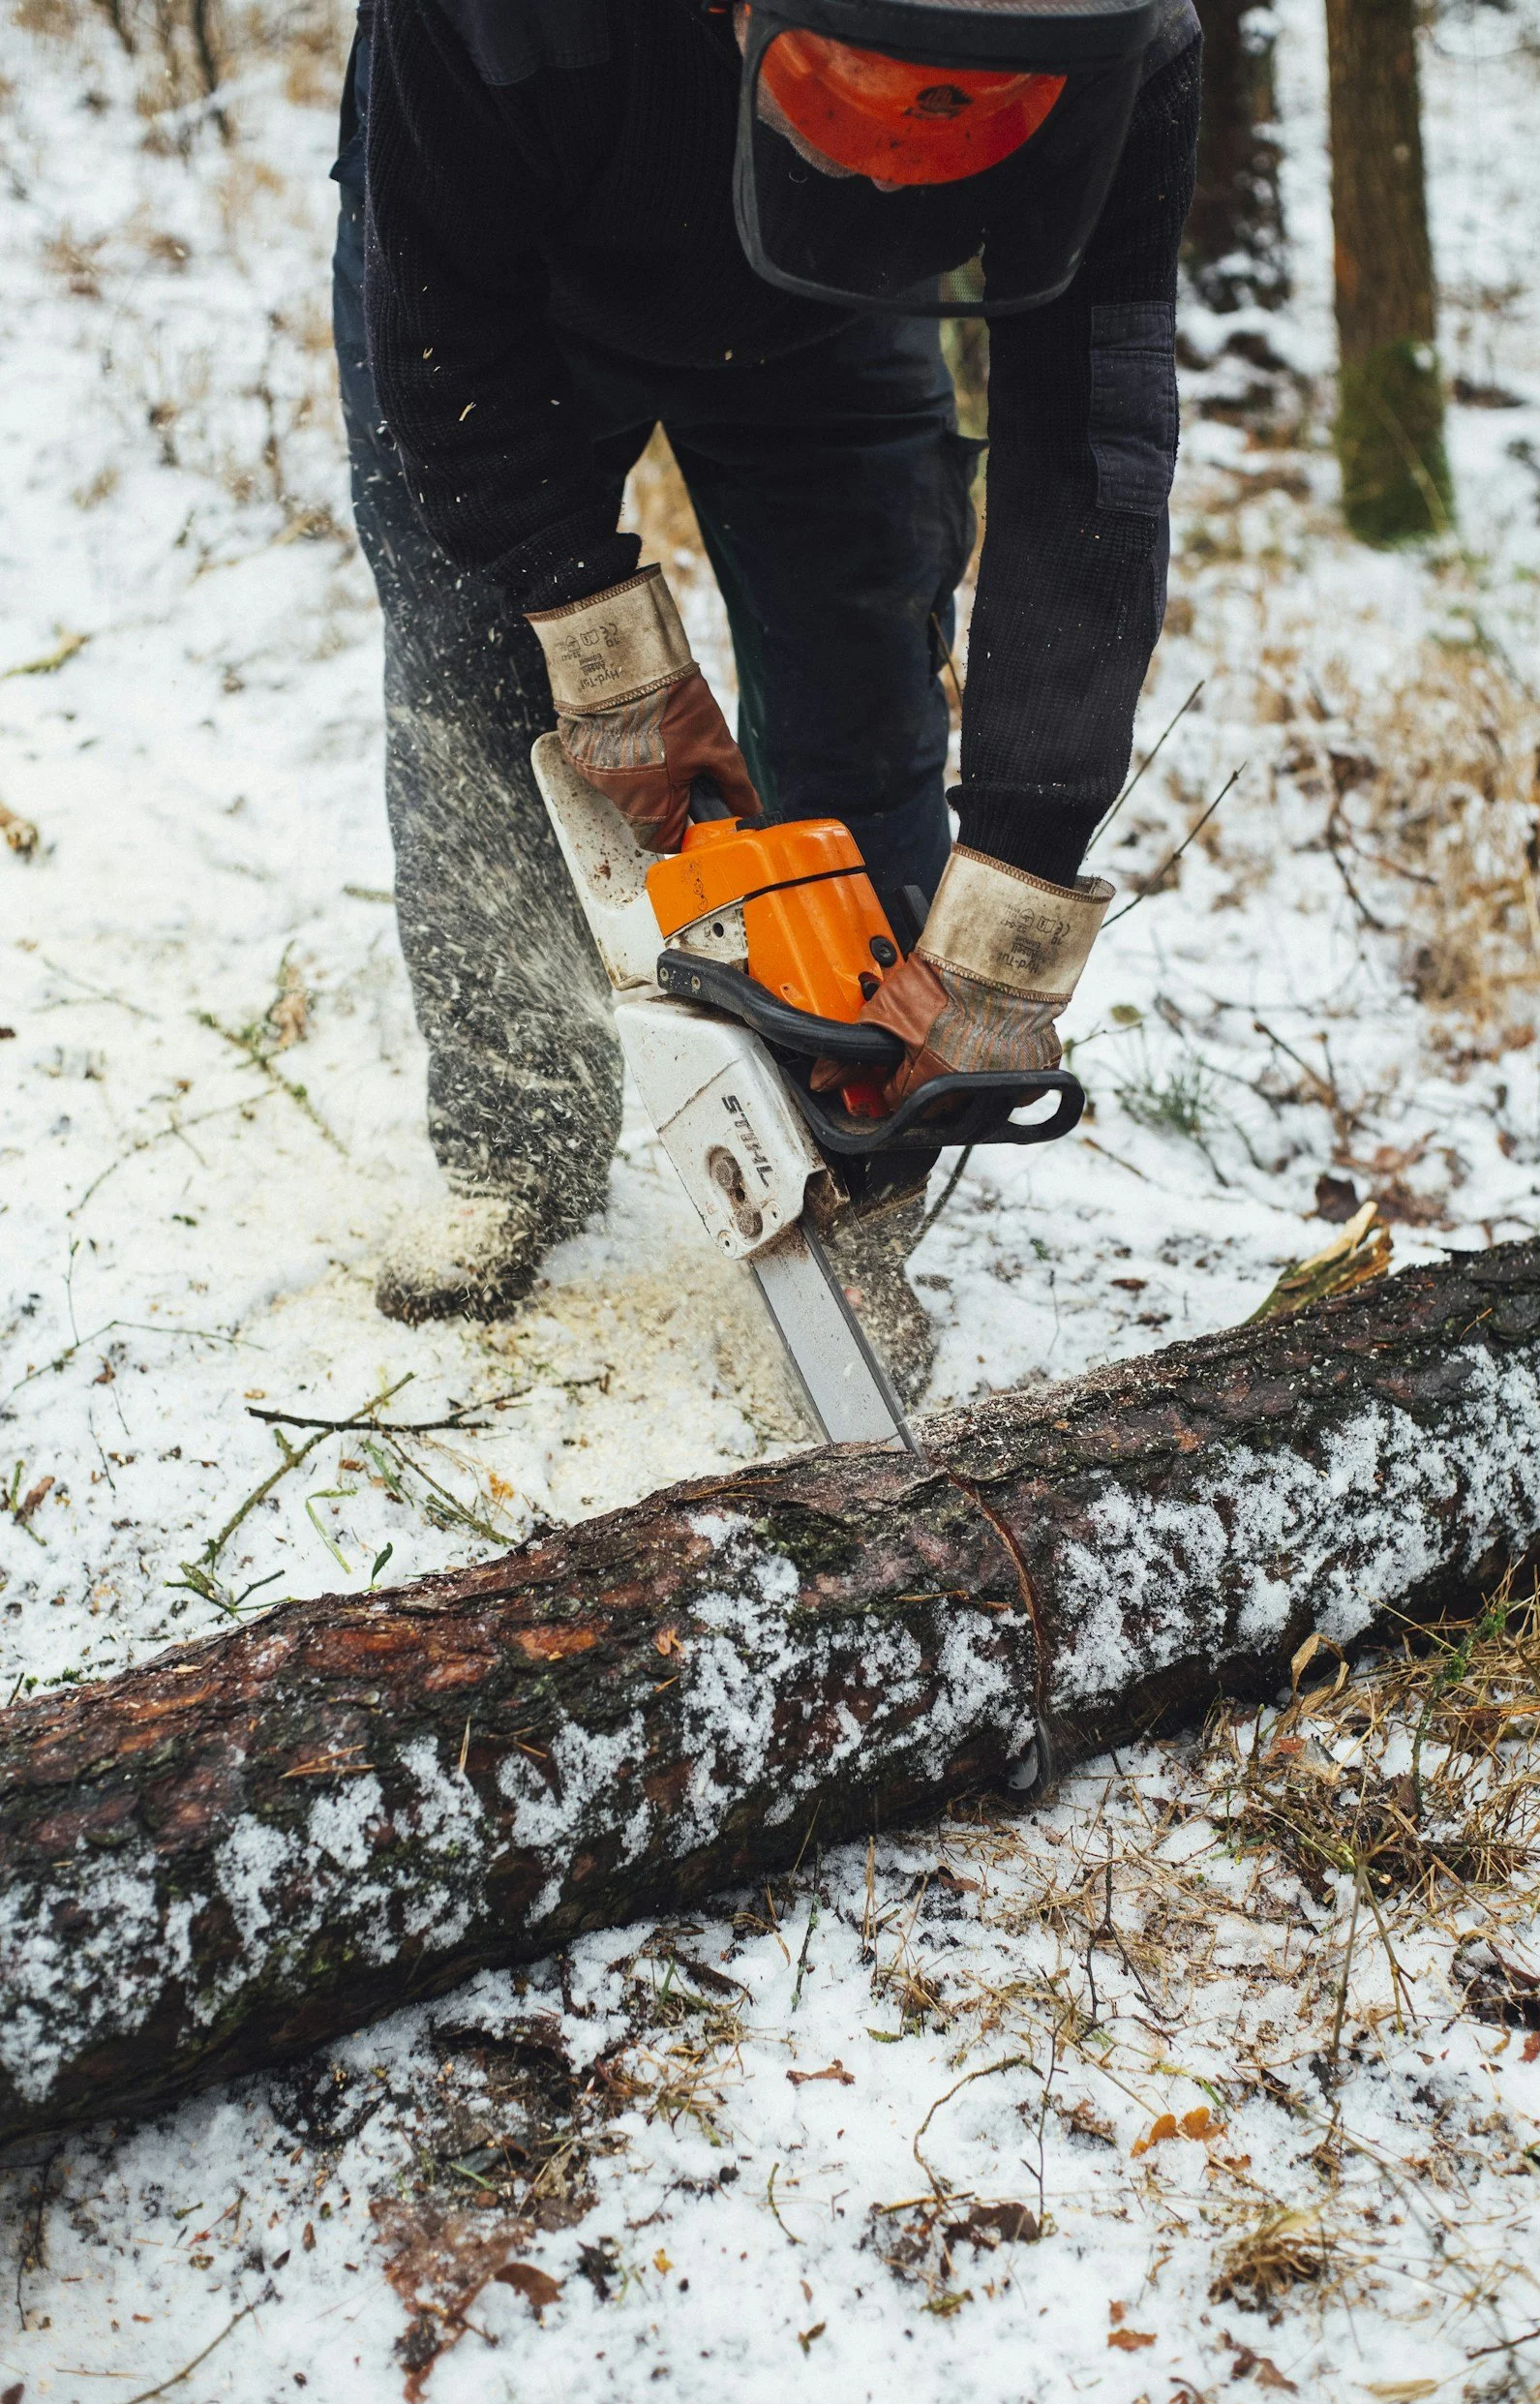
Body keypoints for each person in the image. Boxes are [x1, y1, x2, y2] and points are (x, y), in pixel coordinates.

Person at [331, 0, 1200, 1378]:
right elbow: (442, 314)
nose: (881, 151)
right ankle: (518, 1151)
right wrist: (595, 637)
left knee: (860, 699)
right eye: (863, 101)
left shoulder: (1121, 39)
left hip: (838, 323)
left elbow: (1090, 437)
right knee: (480, 691)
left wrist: (1015, 894)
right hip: (507, 286)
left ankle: (850, 1183)